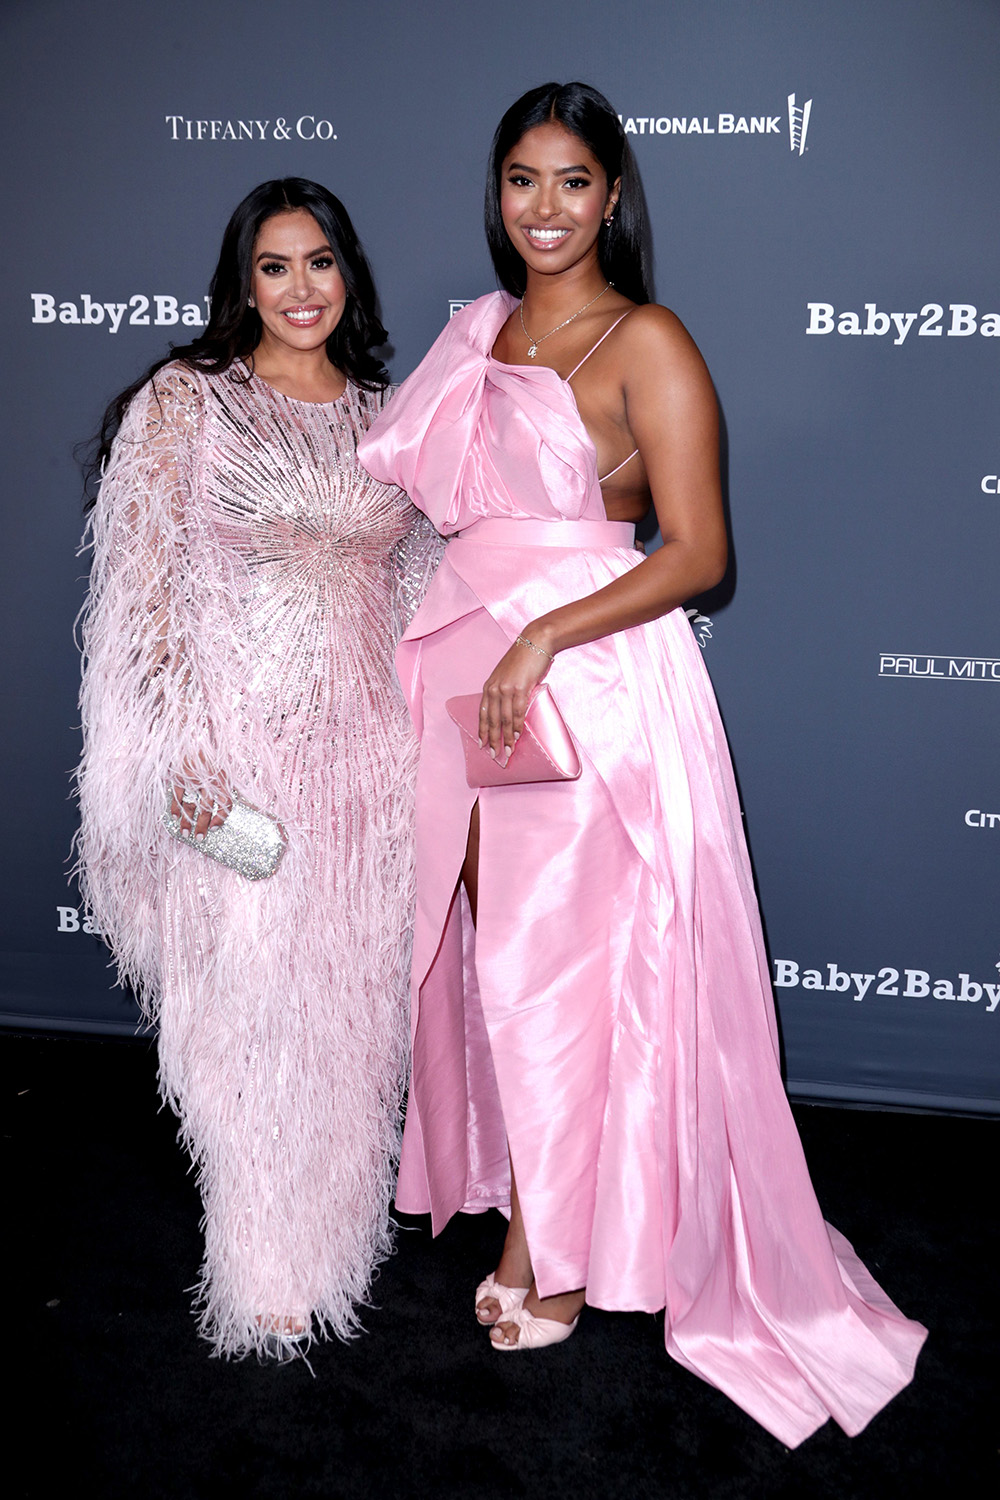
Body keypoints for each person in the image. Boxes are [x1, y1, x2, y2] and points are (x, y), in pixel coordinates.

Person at [358, 84, 926, 1445]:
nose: (541, 208)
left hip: (587, 683)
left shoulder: (646, 339)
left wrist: (541, 635)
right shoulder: (478, 333)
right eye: (518, 180)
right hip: (461, 667)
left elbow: (696, 553)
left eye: (569, 181)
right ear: (496, 197)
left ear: (613, 196)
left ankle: (549, 1253)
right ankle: (532, 1192)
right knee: (490, 957)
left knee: (561, 969)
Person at [76, 178, 439, 1359]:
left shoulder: (394, 420)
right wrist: (177, 749)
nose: (300, 289)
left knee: (351, 1015)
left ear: (349, 276)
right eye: (274, 266)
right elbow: (144, 591)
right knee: (247, 1017)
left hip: (371, 762)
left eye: (320, 262)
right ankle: (260, 1260)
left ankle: (333, 1246)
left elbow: (429, 591)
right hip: (239, 755)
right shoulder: (187, 408)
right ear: (243, 281)